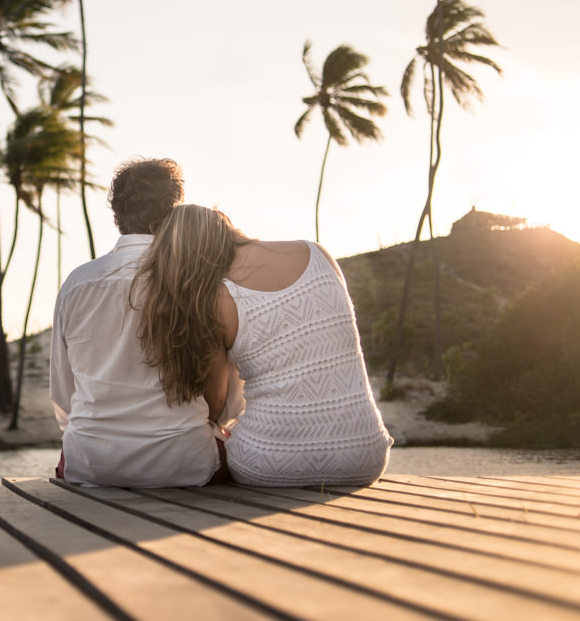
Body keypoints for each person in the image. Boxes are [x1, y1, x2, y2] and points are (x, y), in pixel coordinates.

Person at [138, 204, 392, 486]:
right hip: (366, 455)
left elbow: (216, 404)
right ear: (226, 226)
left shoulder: (216, 298)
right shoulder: (318, 253)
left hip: (270, 462)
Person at [50, 158, 237, 487]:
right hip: (185, 463)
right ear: (174, 211)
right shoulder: (197, 280)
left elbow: (64, 394)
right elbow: (224, 403)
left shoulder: (77, 283)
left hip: (91, 464)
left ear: (116, 215)